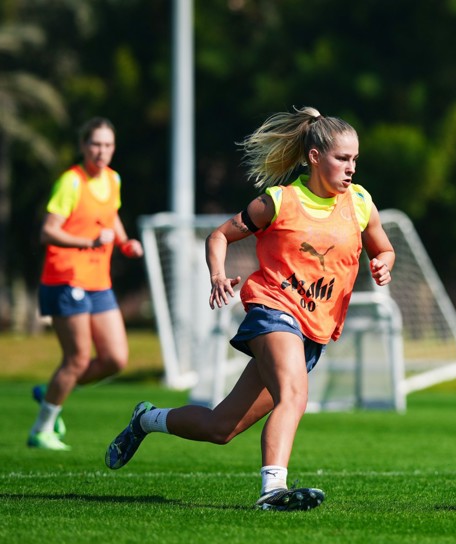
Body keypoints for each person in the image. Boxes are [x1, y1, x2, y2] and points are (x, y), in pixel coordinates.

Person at [104, 106, 395, 512]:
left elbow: (383, 246)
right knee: (294, 394)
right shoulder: (280, 201)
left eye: (355, 160)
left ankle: (146, 419)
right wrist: (218, 274)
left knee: (221, 427)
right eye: (342, 159)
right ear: (314, 157)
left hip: (314, 329)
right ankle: (273, 490)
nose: (351, 168)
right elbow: (219, 236)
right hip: (273, 310)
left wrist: (384, 263)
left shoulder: (361, 202)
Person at [28, 117, 144, 451]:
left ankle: (52, 391)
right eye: (95, 144)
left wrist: (124, 243)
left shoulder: (113, 179)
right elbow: (47, 231)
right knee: (77, 359)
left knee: (115, 359)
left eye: (108, 145)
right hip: (65, 279)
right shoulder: (71, 182)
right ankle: (42, 430)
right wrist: (89, 242)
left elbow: (112, 215)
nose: (101, 151)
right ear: (83, 146)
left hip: (98, 281)